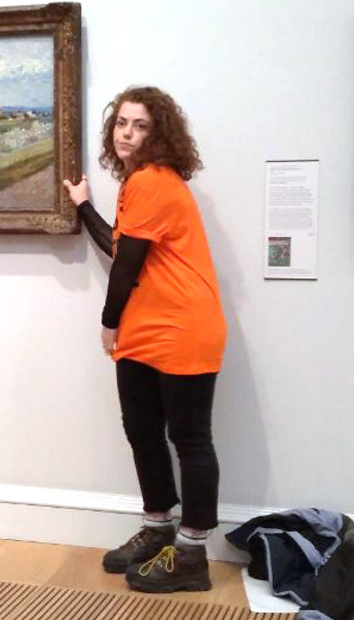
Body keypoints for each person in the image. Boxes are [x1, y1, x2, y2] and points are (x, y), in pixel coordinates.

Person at [63, 86, 226, 593]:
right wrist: (84, 205)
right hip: (145, 329)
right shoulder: (137, 184)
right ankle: (158, 529)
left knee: (190, 439)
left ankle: (193, 553)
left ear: (161, 135)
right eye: (122, 124)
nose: (128, 134)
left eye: (141, 126)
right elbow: (121, 244)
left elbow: (128, 264)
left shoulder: (155, 181)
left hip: (183, 328)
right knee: (142, 432)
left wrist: (109, 320)